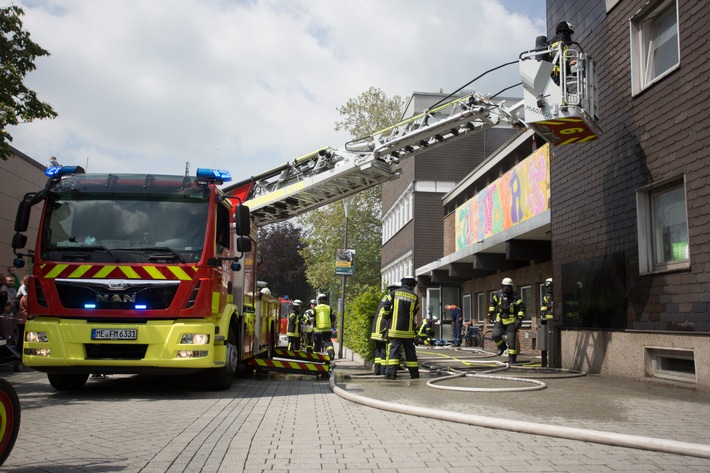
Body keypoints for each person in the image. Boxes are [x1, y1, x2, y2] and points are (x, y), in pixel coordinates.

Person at [382, 276, 420, 380]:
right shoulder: (414, 296)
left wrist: (387, 316)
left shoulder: (394, 293)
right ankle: (414, 374)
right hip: (408, 331)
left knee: (394, 350)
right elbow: (416, 310)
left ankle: (391, 374)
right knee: (410, 352)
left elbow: (386, 306)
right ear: (411, 285)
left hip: (395, 329)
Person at [488, 277, 525, 364]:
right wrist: (490, 315)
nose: (506, 288)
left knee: (511, 342)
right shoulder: (498, 294)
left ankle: (512, 360)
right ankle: (502, 346)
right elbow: (492, 304)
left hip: (511, 321)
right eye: (504, 286)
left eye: (508, 286)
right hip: (500, 319)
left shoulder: (515, 296)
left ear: (511, 287)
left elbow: (521, 308)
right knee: (495, 335)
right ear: (502, 286)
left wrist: (519, 319)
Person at [370, 286, 396, 375]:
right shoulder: (392, 299)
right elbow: (388, 312)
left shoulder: (385, 297)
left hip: (376, 327)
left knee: (378, 349)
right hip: (383, 328)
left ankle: (377, 371)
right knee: (385, 350)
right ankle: (384, 372)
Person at [548, 21, 576, 85]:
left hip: (559, 73)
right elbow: (556, 56)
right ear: (564, 32)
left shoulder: (564, 44)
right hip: (555, 73)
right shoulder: (558, 40)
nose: (570, 36)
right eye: (568, 33)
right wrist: (569, 64)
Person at [313, 293, 335, 358]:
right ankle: (331, 354)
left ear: (319, 300)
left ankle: (315, 357)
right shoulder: (329, 308)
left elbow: (311, 316)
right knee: (327, 342)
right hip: (327, 329)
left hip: (318, 329)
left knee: (317, 343)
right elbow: (332, 318)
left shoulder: (316, 308)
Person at [539, 278, 554, 367]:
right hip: (546, 323)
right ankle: (544, 363)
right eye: (547, 287)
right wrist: (543, 315)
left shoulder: (557, 295)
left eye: (550, 287)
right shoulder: (546, 297)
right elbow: (543, 308)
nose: (549, 289)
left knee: (553, 344)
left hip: (555, 323)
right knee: (545, 343)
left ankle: (552, 362)